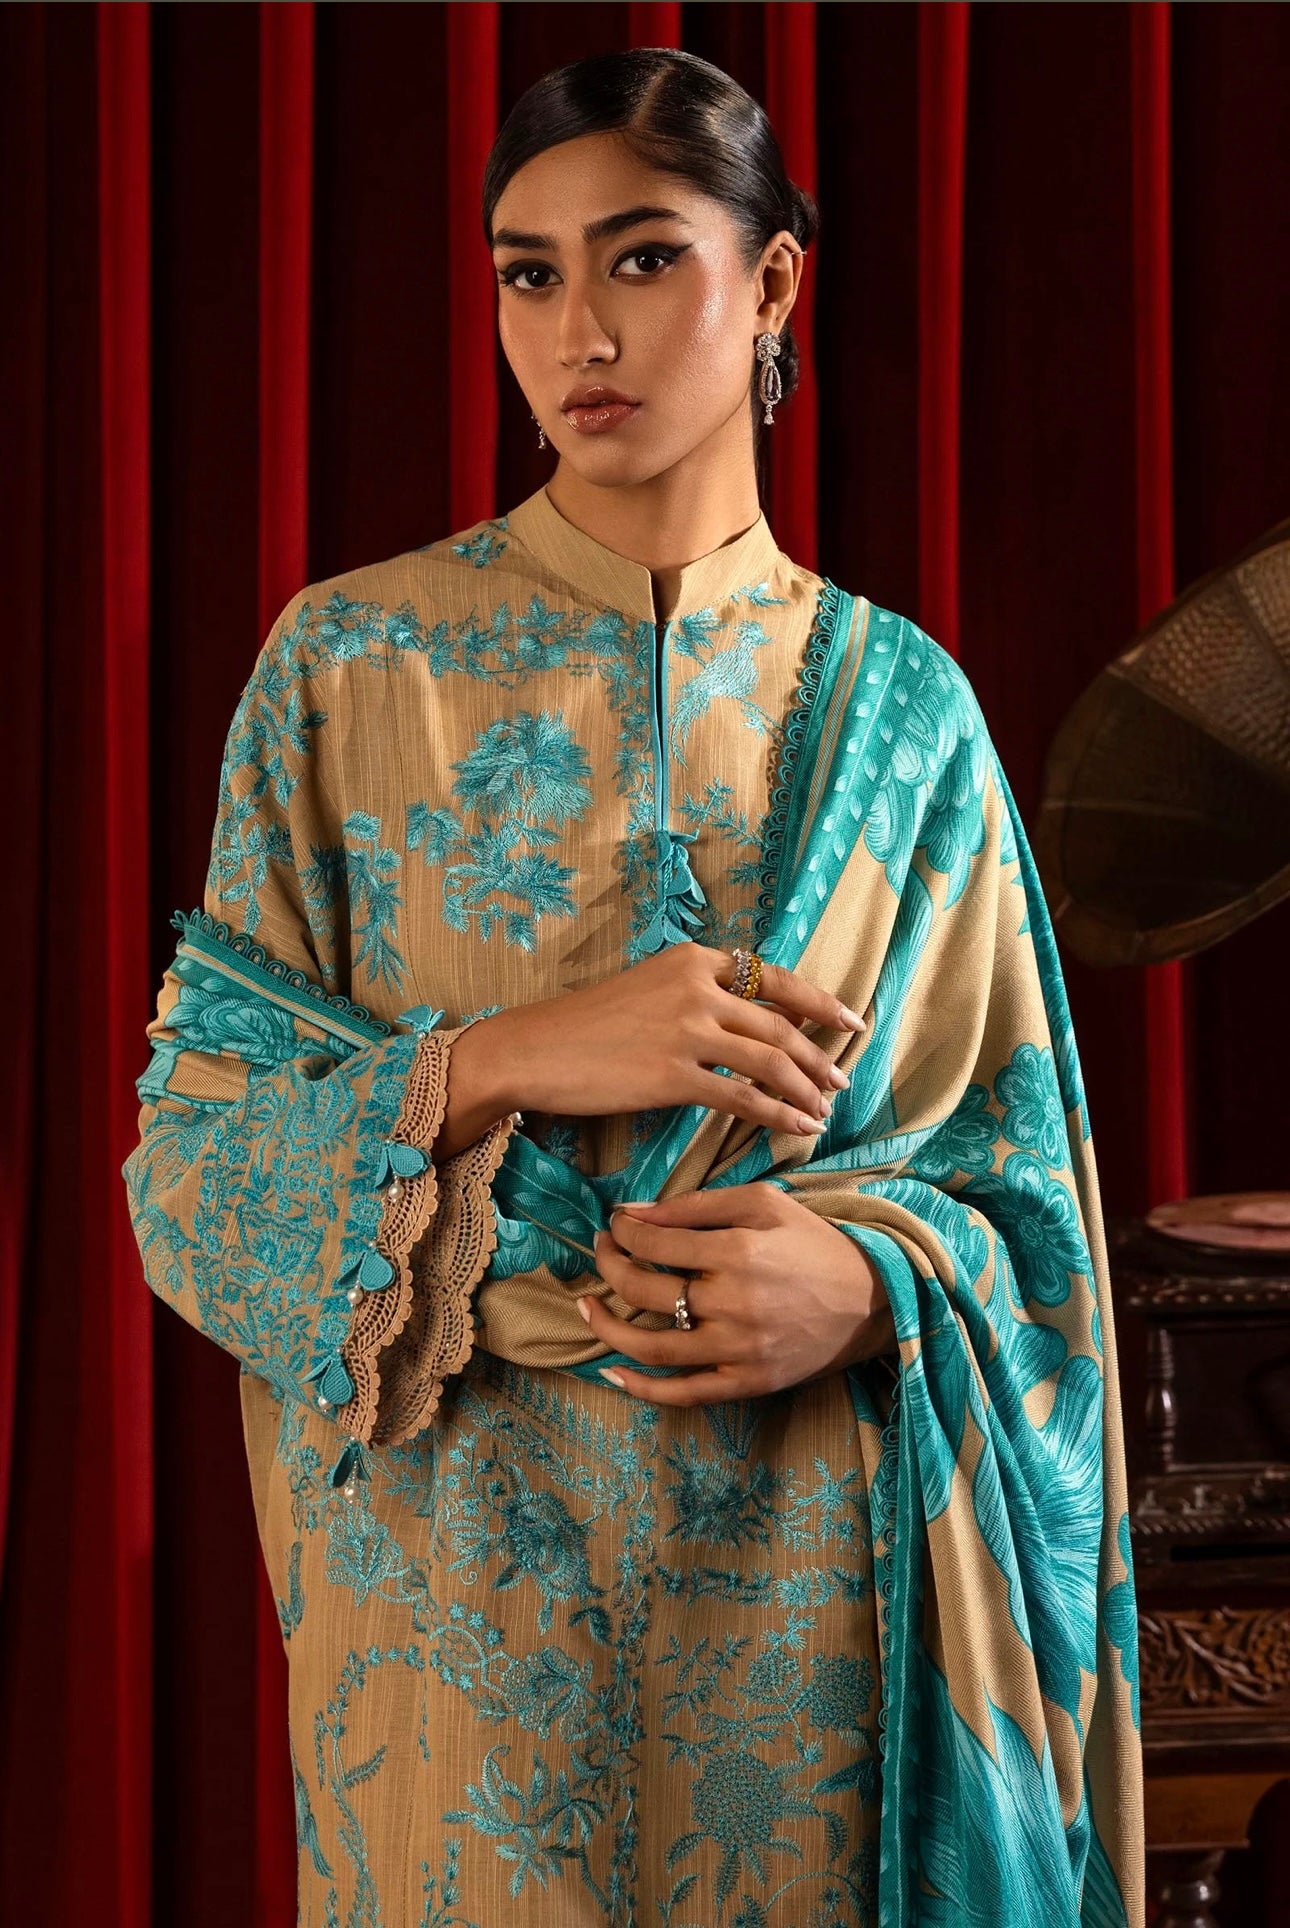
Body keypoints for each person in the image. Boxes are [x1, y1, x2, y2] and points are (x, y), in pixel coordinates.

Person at [122, 46, 1144, 1928]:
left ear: (772, 283)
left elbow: (1031, 1227)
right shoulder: (348, 669)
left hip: (815, 1600)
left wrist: (870, 1285)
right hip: (452, 1607)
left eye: (644, 258)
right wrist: (514, 1055)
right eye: (528, 273)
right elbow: (192, 1185)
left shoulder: (903, 709)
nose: (577, 331)